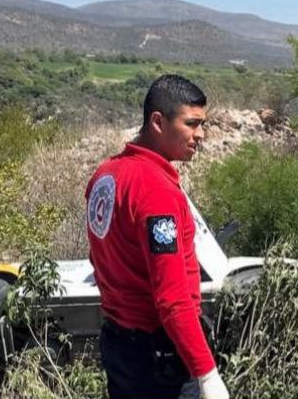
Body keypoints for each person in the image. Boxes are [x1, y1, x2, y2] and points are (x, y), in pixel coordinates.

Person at [85, 74, 229, 399]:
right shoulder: (156, 192)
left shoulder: (105, 175)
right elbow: (173, 300)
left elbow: (100, 257)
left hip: (120, 345)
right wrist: (207, 376)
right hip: (159, 358)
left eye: (202, 124)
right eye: (191, 124)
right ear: (158, 122)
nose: (201, 135)